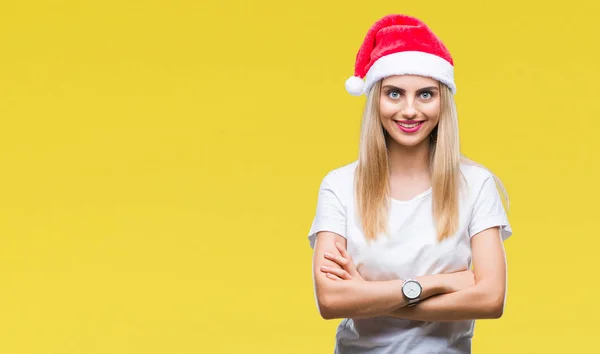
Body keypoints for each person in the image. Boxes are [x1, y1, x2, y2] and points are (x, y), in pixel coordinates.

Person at [307, 14, 513, 354]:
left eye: (425, 95)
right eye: (394, 93)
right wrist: (439, 284)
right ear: (376, 99)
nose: (409, 110)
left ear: (442, 101)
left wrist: (368, 296)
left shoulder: (475, 184)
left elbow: (491, 299)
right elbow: (330, 300)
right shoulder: (340, 186)